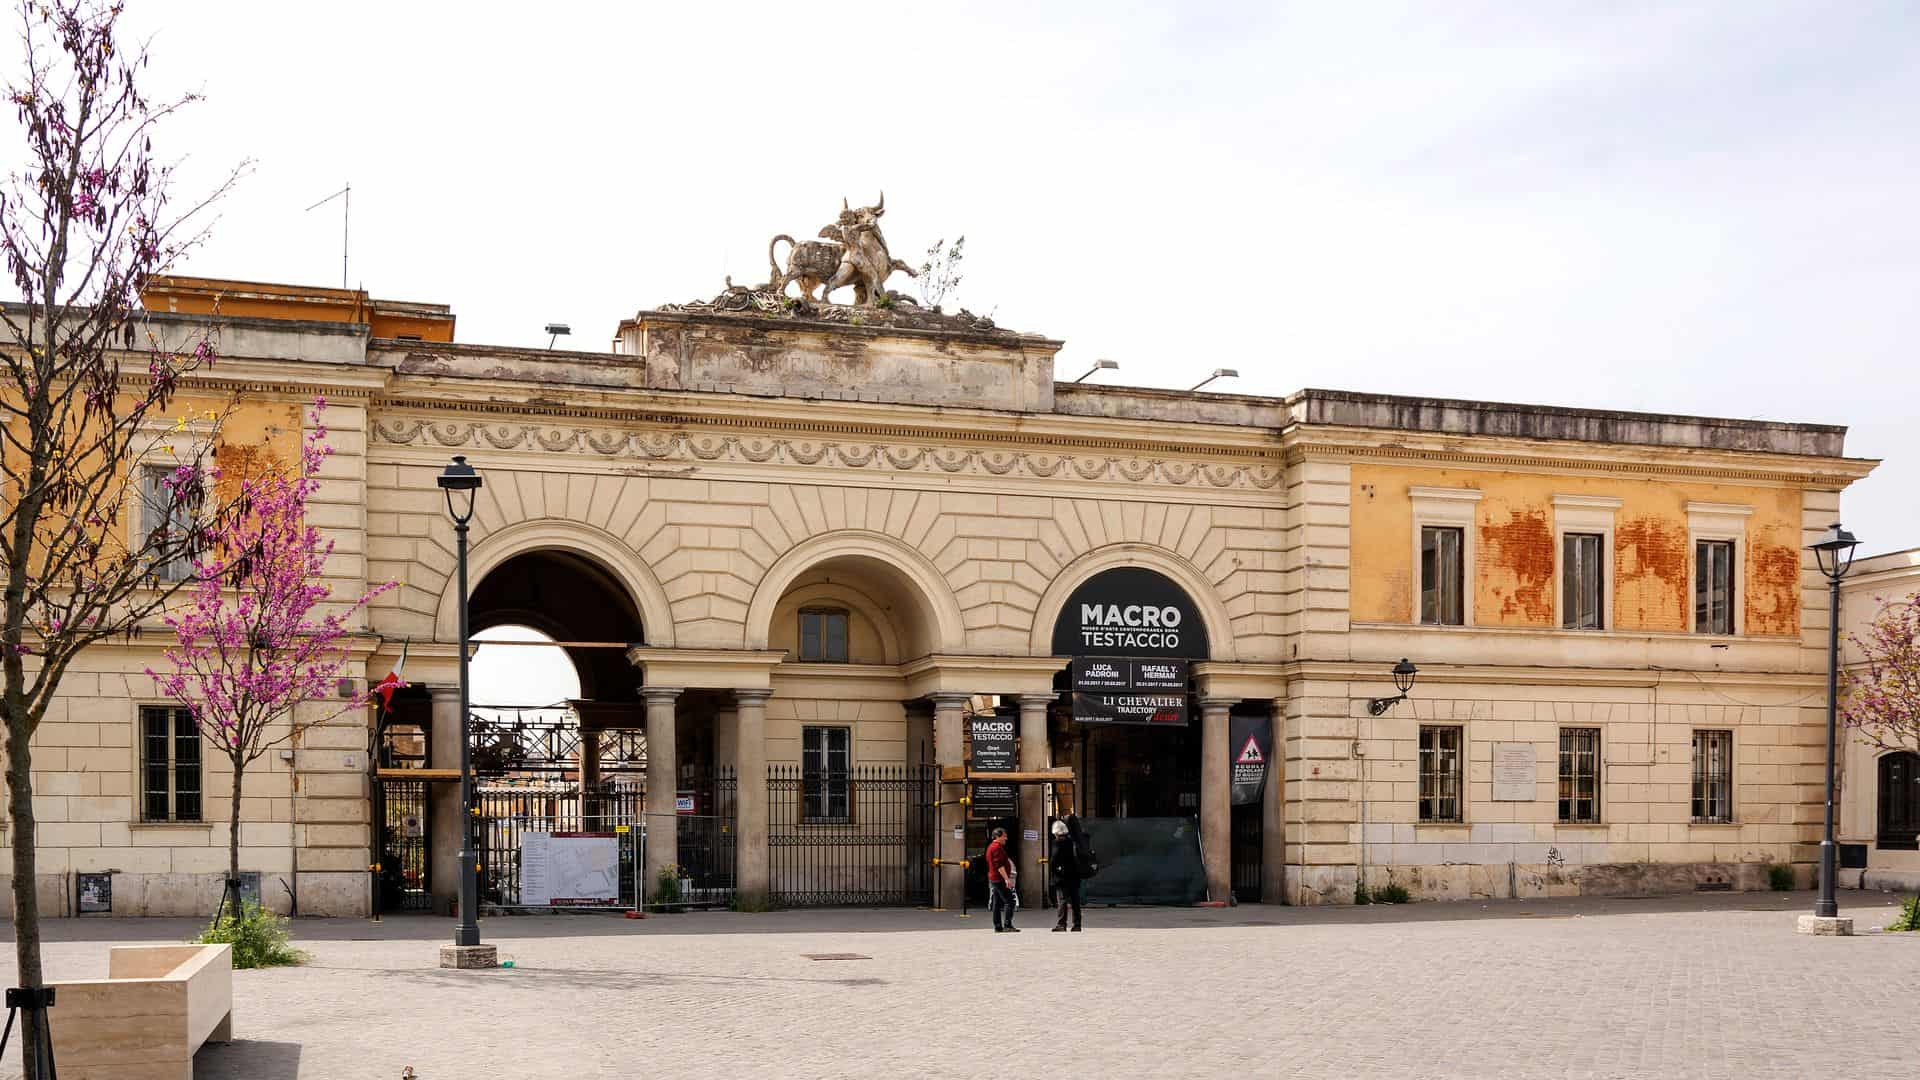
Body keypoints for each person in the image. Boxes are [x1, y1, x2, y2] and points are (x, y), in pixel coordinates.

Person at [1051, 816, 1086, 932]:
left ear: (1056, 832)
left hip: (1063, 877)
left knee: (1062, 900)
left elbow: (1054, 859)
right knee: (1075, 900)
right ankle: (1077, 924)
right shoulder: (1072, 841)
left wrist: (1053, 871)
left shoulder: (1057, 843)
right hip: (1075, 875)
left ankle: (1062, 924)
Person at [985, 826, 1019, 932]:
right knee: (1010, 901)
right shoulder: (996, 848)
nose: (1006, 838)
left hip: (994, 878)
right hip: (999, 879)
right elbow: (999, 865)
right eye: (1004, 836)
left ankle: (998, 926)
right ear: (997, 836)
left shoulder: (991, 847)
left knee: (997, 902)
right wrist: (1006, 879)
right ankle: (1007, 925)